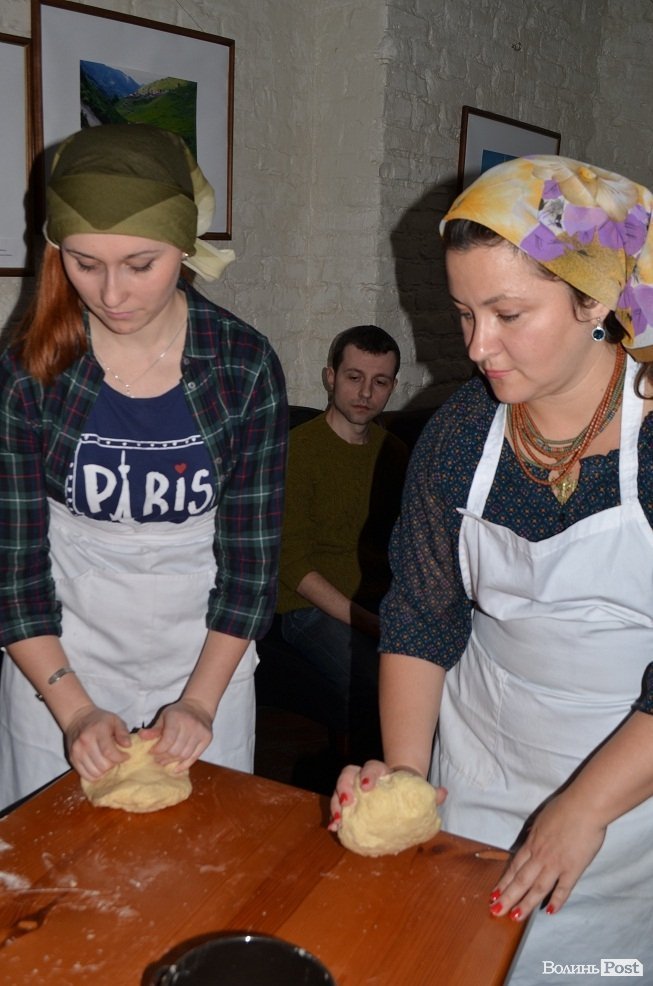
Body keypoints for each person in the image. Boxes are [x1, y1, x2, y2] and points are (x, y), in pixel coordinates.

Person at [329, 155, 653, 981]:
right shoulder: (459, 434)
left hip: (630, 791)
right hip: (480, 762)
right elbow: (421, 616)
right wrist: (406, 775)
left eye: (508, 314)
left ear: (594, 301)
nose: (477, 346)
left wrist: (585, 807)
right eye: (464, 313)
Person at [0, 123, 287, 812]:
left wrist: (199, 702)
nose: (111, 293)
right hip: (60, 662)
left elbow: (250, 569)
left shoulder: (242, 367)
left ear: (184, 246)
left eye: (140, 264)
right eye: (84, 263)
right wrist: (73, 710)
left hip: (206, 659)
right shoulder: (28, 373)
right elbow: (14, 572)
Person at [276, 325, 408, 761]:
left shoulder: (395, 453)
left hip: (378, 603)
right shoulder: (298, 449)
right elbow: (292, 564)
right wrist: (367, 622)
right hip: (306, 608)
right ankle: (367, 790)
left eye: (380, 381)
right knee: (382, 687)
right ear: (330, 377)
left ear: (392, 387)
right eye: (354, 377)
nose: (366, 393)